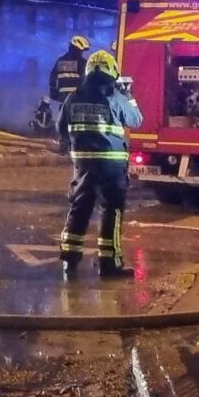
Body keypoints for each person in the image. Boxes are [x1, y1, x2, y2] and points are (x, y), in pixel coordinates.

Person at [58, 50, 142, 276]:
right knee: (111, 210)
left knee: (79, 208)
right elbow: (136, 120)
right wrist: (128, 95)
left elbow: (61, 129)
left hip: (84, 166)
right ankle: (109, 263)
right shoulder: (116, 97)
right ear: (112, 72)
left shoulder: (73, 97)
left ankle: (69, 261)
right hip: (111, 166)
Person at [47, 33, 91, 149]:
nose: (81, 53)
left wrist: (53, 93)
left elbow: (52, 78)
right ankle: (75, 146)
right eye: (81, 51)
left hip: (63, 98)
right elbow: (85, 81)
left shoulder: (60, 61)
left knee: (64, 122)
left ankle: (64, 144)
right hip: (77, 99)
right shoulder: (83, 63)